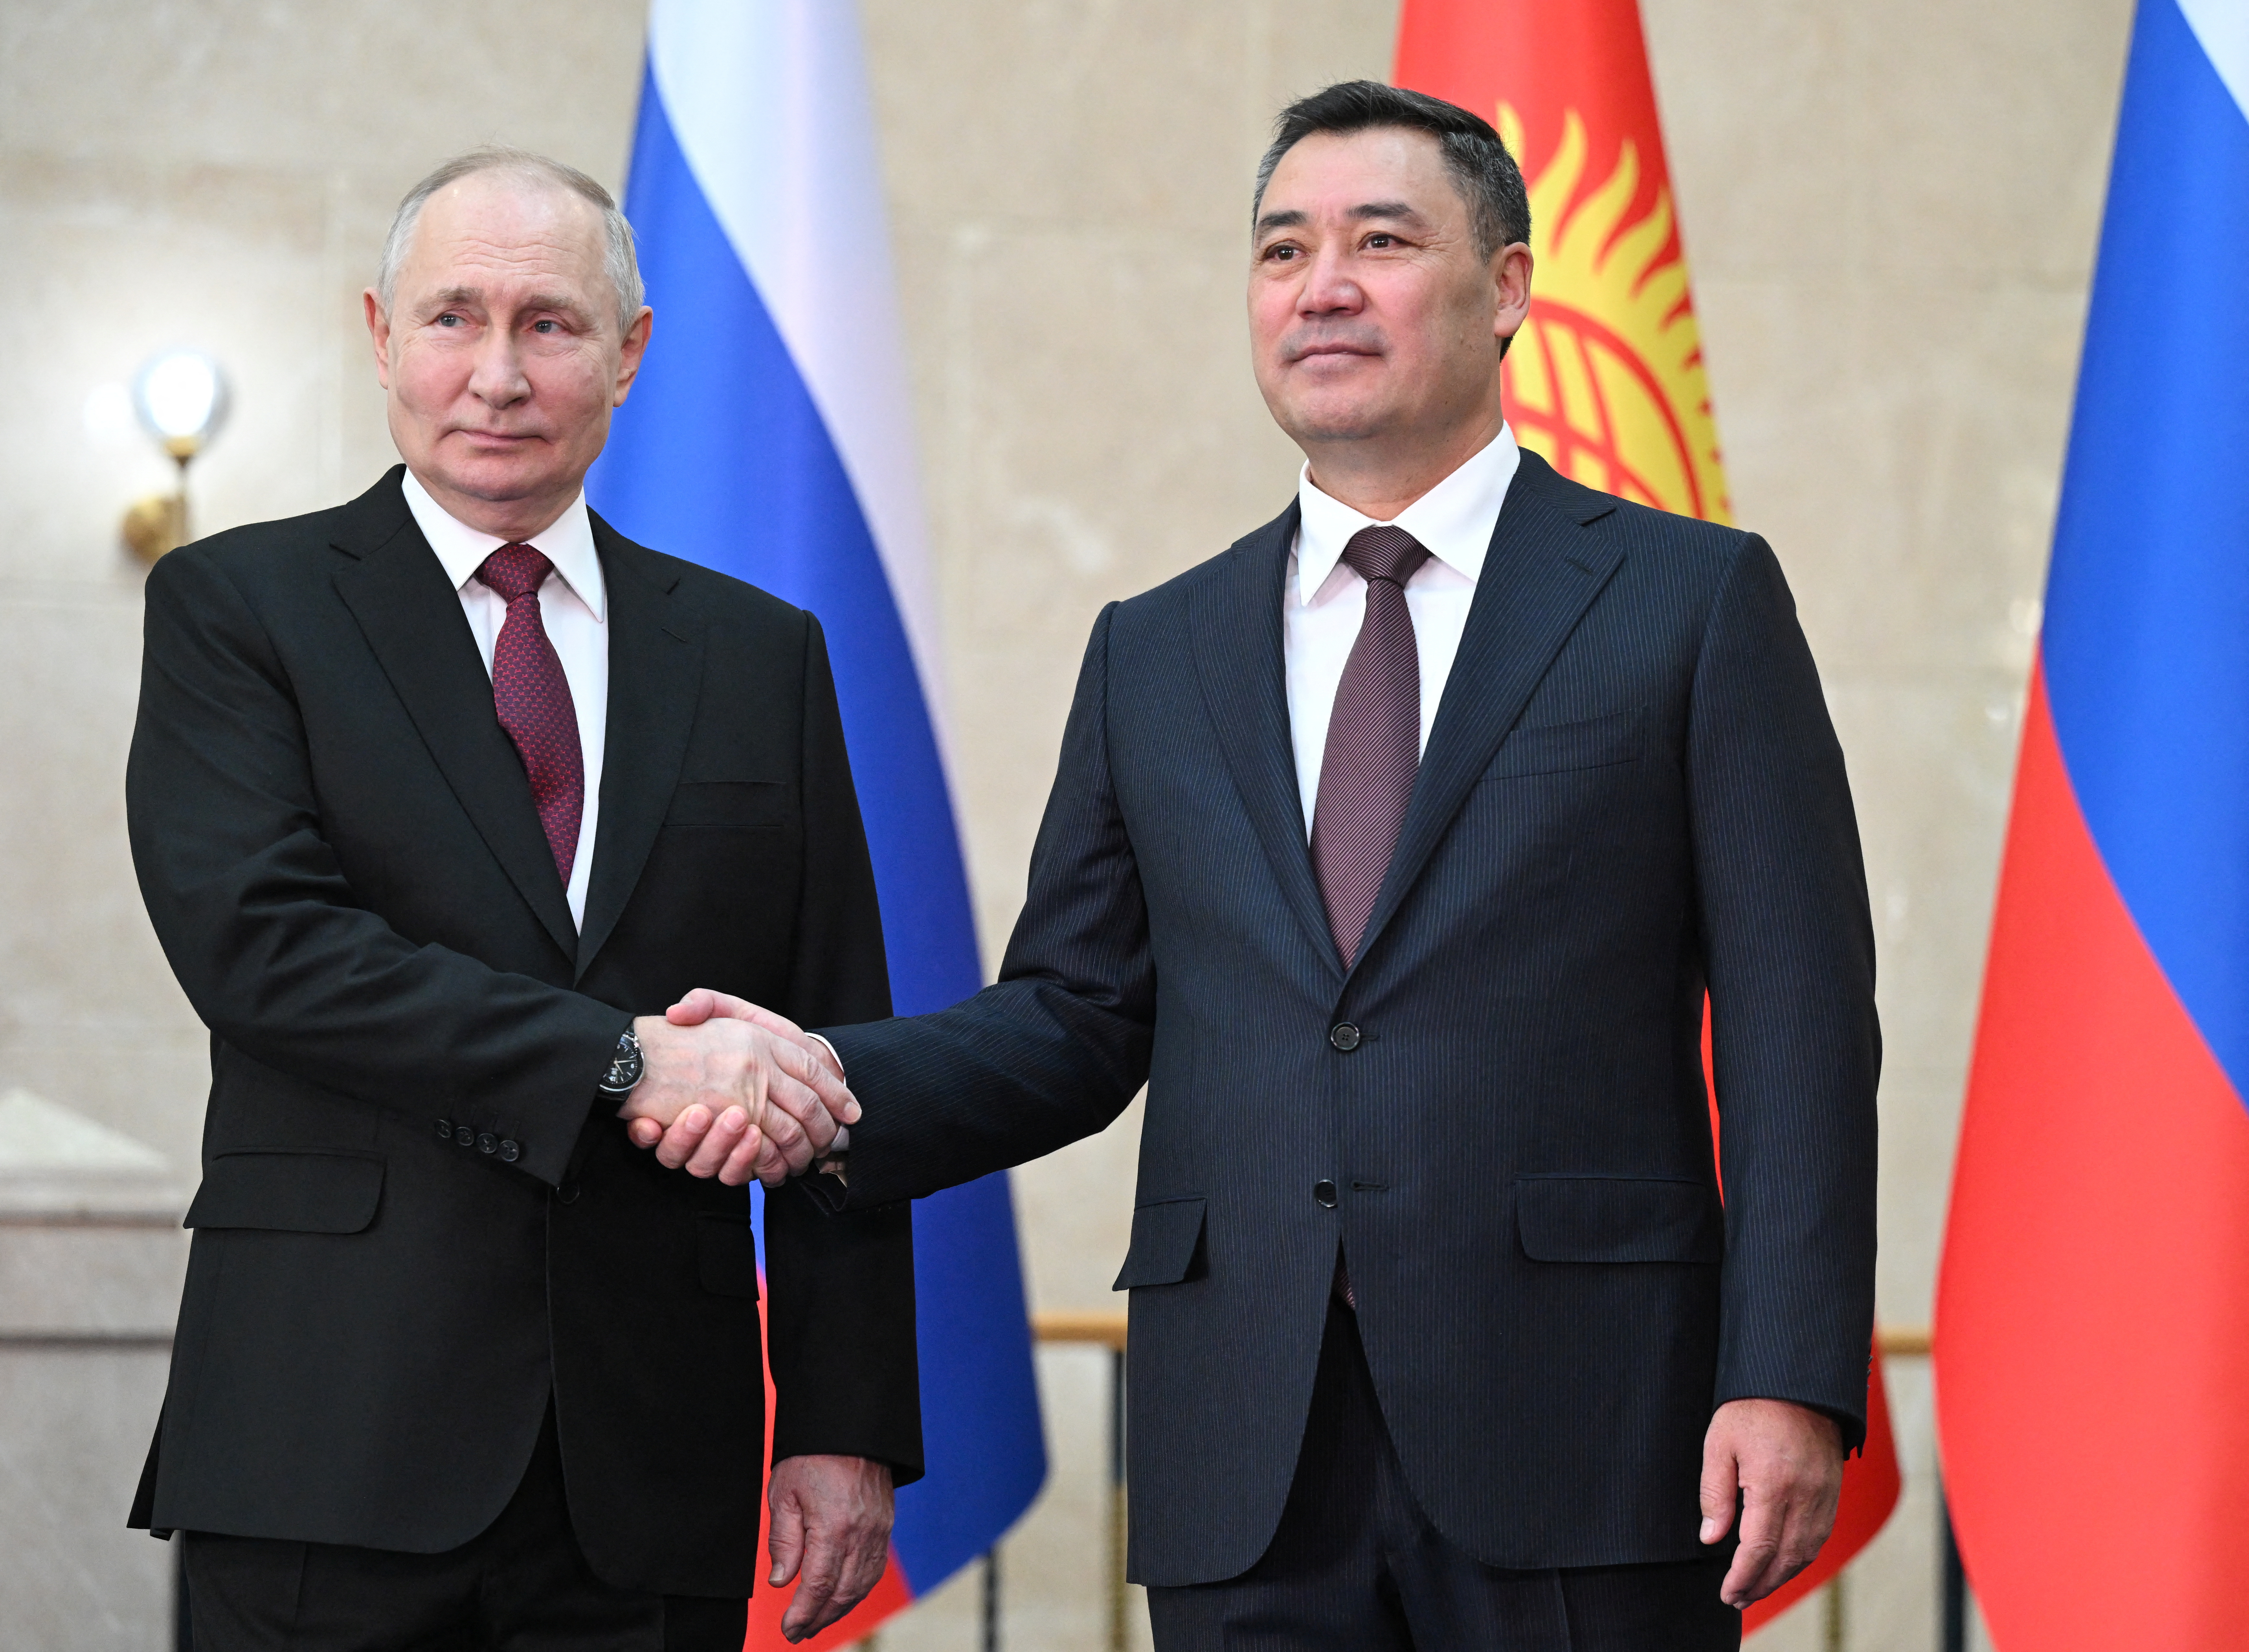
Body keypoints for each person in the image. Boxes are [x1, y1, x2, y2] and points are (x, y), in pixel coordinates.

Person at [681, 82, 1880, 1649]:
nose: (1320, 285)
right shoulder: (1154, 651)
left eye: (1379, 240)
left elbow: (1798, 1025)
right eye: (1279, 250)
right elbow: (1073, 1016)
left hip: (1588, 1424)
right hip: (1244, 1440)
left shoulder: (1686, 602)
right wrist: (826, 1079)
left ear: (1506, 287)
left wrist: (1785, 1372)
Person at [125, 147, 915, 1652]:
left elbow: (834, 1050)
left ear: (628, 355)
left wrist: (843, 1416)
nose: (495, 372)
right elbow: (267, 953)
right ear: (378, 336)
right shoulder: (241, 611)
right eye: (452, 318)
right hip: (324, 1451)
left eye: (548, 324)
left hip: (649, 1470)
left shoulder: (761, 656)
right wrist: (623, 1061)